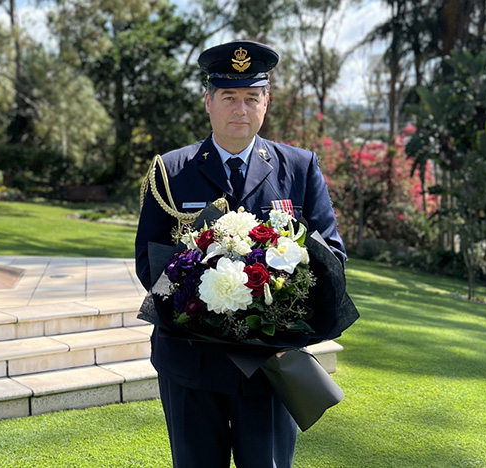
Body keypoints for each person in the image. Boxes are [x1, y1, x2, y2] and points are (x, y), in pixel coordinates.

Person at [134, 40, 346, 468]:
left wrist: (281, 300)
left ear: (266, 103)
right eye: (229, 97)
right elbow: (148, 263)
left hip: (270, 366)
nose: (240, 109)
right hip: (191, 362)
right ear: (208, 101)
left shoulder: (299, 167)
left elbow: (332, 256)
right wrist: (203, 300)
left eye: (252, 97)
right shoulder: (170, 172)